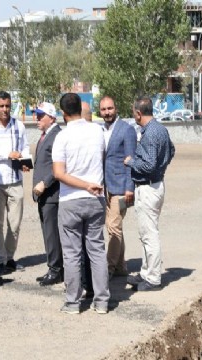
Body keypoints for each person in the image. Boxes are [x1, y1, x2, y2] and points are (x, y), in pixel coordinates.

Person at [52, 93, 109, 314]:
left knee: (72, 253)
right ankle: (102, 301)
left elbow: (59, 173)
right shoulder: (97, 131)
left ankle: (73, 303)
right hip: (96, 199)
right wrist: (90, 185)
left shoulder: (62, 137)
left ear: (63, 113)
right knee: (96, 250)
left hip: (71, 200)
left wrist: (84, 185)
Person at [124, 96, 175, 292]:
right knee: (146, 233)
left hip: (148, 187)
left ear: (138, 113)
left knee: (149, 234)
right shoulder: (160, 129)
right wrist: (161, 169)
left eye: (133, 112)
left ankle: (153, 279)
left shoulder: (151, 132)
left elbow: (149, 164)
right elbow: (171, 150)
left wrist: (130, 162)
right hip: (155, 184)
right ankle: (146, 273)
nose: (133, 115)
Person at [0, 91, 31, 275]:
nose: (5, 109)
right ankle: (1, 260)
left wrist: (24, 160)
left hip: (15, 180)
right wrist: (7, 153)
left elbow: (24, 146)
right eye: (1, 106)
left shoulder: (18, 125)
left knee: (15, 224)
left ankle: (10, 257)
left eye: (7, 106)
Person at [100, 96, 137, 277]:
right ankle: (121, 266)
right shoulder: (100, 130)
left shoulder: (127, 130)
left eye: (110, 109)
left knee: (113, 226)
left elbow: (131, 160)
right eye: (104, 110)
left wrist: (130, 188)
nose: (107, 112)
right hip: (106, 187)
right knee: (115, 227)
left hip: (122, 187)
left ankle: (109, 268)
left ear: (116, 109)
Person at [32, 102, 63, 286]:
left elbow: (58, 165)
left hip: (52, 193)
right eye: (36, 115)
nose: (36, 118)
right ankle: (55, 267)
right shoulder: (46, 135)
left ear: (51, 117)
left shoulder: (56, 135)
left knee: (52, 233)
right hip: (43, 194)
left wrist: (45, 183)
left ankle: (56, 270)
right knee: (48, 231)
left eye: (40, 115)